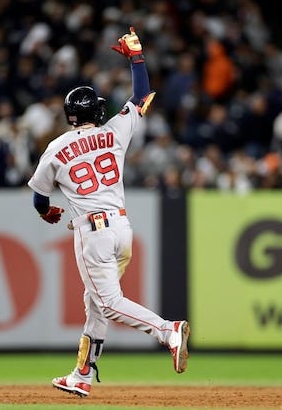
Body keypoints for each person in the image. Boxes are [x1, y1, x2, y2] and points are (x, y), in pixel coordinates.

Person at [27, 27, 190, 398]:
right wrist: (136, 57)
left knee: (108, 303)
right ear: (96, 110)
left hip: (93, 233)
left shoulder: (56, 148)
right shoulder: (115, 131)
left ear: (69, 115)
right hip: (122, 229)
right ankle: (82, 374)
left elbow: (38, 195)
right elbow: (143, 96)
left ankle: (167, 330)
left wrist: (46, 212)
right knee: (95, 303)